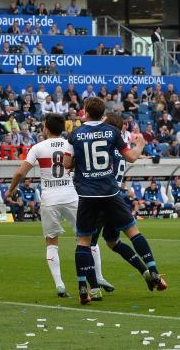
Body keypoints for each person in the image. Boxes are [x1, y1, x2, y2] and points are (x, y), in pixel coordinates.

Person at [63, 98, 167, 305]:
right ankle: (152, 270)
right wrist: (140, 145)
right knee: (125, 236)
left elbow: (67, 163)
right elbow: (130, 157)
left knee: (85, 243)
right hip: (112, 194)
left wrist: (80, 162)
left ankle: (87, 287)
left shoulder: (75, 134)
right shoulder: (113, 136)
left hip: (89, 195)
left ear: (85, 111)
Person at [7, 114, 114, 298]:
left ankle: (60, 285)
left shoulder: (38, 148)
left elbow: (21, 172)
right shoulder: (69, 143)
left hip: (50, 199)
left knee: (51, 241)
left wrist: (10, 190)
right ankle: (98, 277)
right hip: (71, 195)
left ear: (46, 128)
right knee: (86, 239)